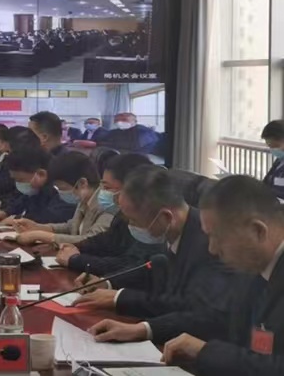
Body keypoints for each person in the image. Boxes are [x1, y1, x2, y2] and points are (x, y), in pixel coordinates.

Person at [90, 176, 284, 376]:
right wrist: (143, 329)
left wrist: (206, 351)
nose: (212, 249)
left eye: (217, 237)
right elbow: (217, 317)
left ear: (257, 231)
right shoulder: (253, 265)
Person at [72, 166, 235, 344]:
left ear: (166, 217)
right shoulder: (173, 230)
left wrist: (141, 328)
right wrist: (107, 282)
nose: (130, 226)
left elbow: (194, 310)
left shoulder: (210, 246)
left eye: (133, 220)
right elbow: (152, 268)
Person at [56, 153, 160, 274]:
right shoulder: (121, 215)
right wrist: (77, 246)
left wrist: (76, 259)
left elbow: (130, 264)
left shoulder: (150, 221)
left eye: (107, 188)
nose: (102, 192)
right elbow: (106, 241)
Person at [13, 151, 115, 246]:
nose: (60, 193)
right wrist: (38, 227)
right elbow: (71, 227)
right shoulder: (85, 198)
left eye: (62, 188)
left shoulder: (106, 204)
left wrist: (44, 236)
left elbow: (91, 240)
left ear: (82, 183)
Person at [0, 147, 74, 225]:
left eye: (20, 180)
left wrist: (18, 219)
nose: (18, 183)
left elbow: (53, 217)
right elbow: (22, 202)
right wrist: (5, 212)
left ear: (40, 174)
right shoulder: (36, 189)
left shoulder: (61, 188)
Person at [94, 112, 159, 154]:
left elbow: (132, 146)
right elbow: (102, 139)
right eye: (116, 120)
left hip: (142, 157)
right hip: (121, 154)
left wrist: (101, 144)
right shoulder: (118, 131)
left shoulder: (143, 131)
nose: (119, 122)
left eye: (124, 120)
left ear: (135, 121)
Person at [261, 119, 284, 198]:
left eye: (276, 146)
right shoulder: (279, 161)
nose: (273, 150)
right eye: (270, 146)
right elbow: (266, 183)